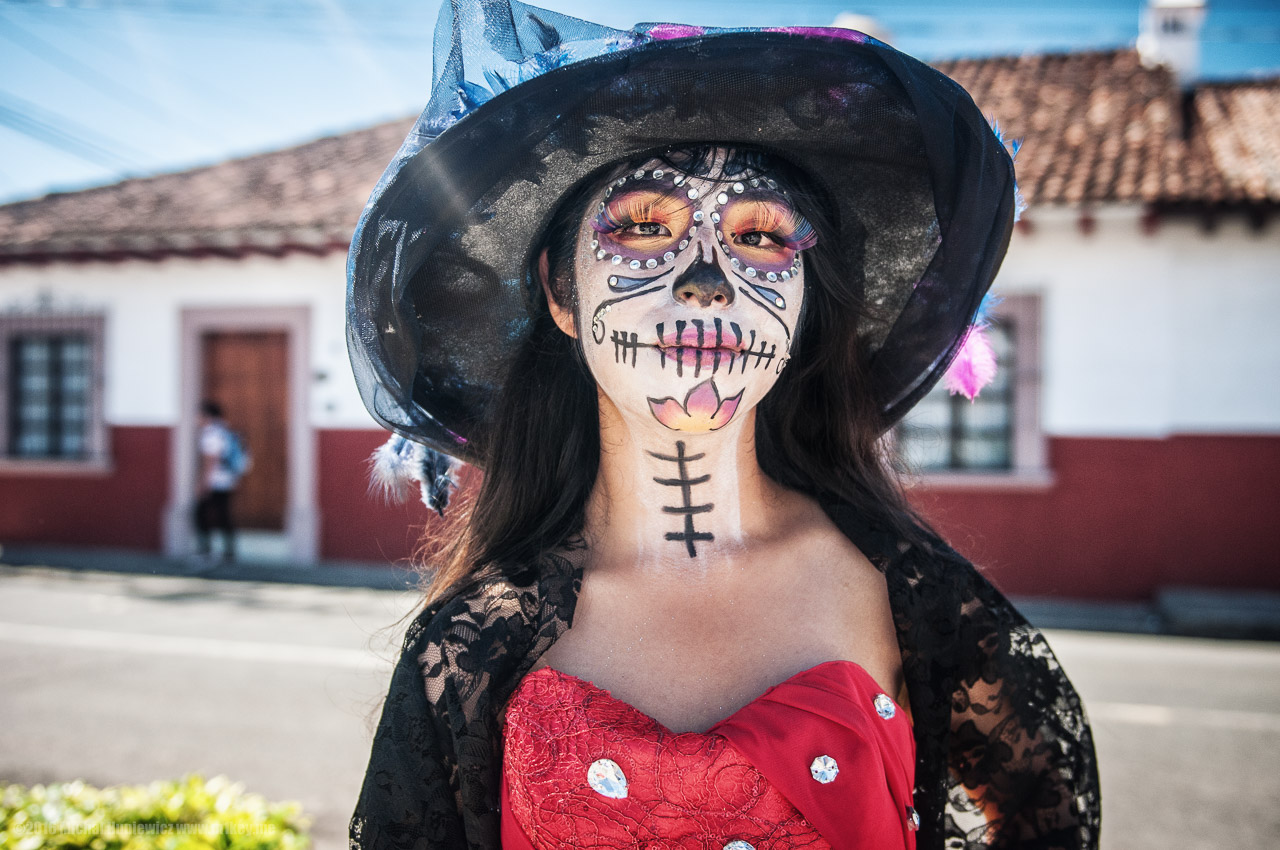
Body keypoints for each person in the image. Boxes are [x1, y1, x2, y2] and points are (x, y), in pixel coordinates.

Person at [346, 3, 1100, 848]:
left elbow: (1046, 814)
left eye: (761, 237)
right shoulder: (472, 647)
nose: (708, 280)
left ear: (806, 303)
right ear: (563, 293)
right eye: (642, 226)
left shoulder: (904, 591)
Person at [194, 400, 239, 563]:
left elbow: (211, 460)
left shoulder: (210, 433)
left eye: (199, 414)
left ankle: (204, 551)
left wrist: (203, 483)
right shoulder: (224, 430)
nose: (196, 418)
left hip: (214, 482)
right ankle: (229, 552)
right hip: (228, 480)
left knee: (200, 514)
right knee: (223, 515)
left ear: (207, 415)